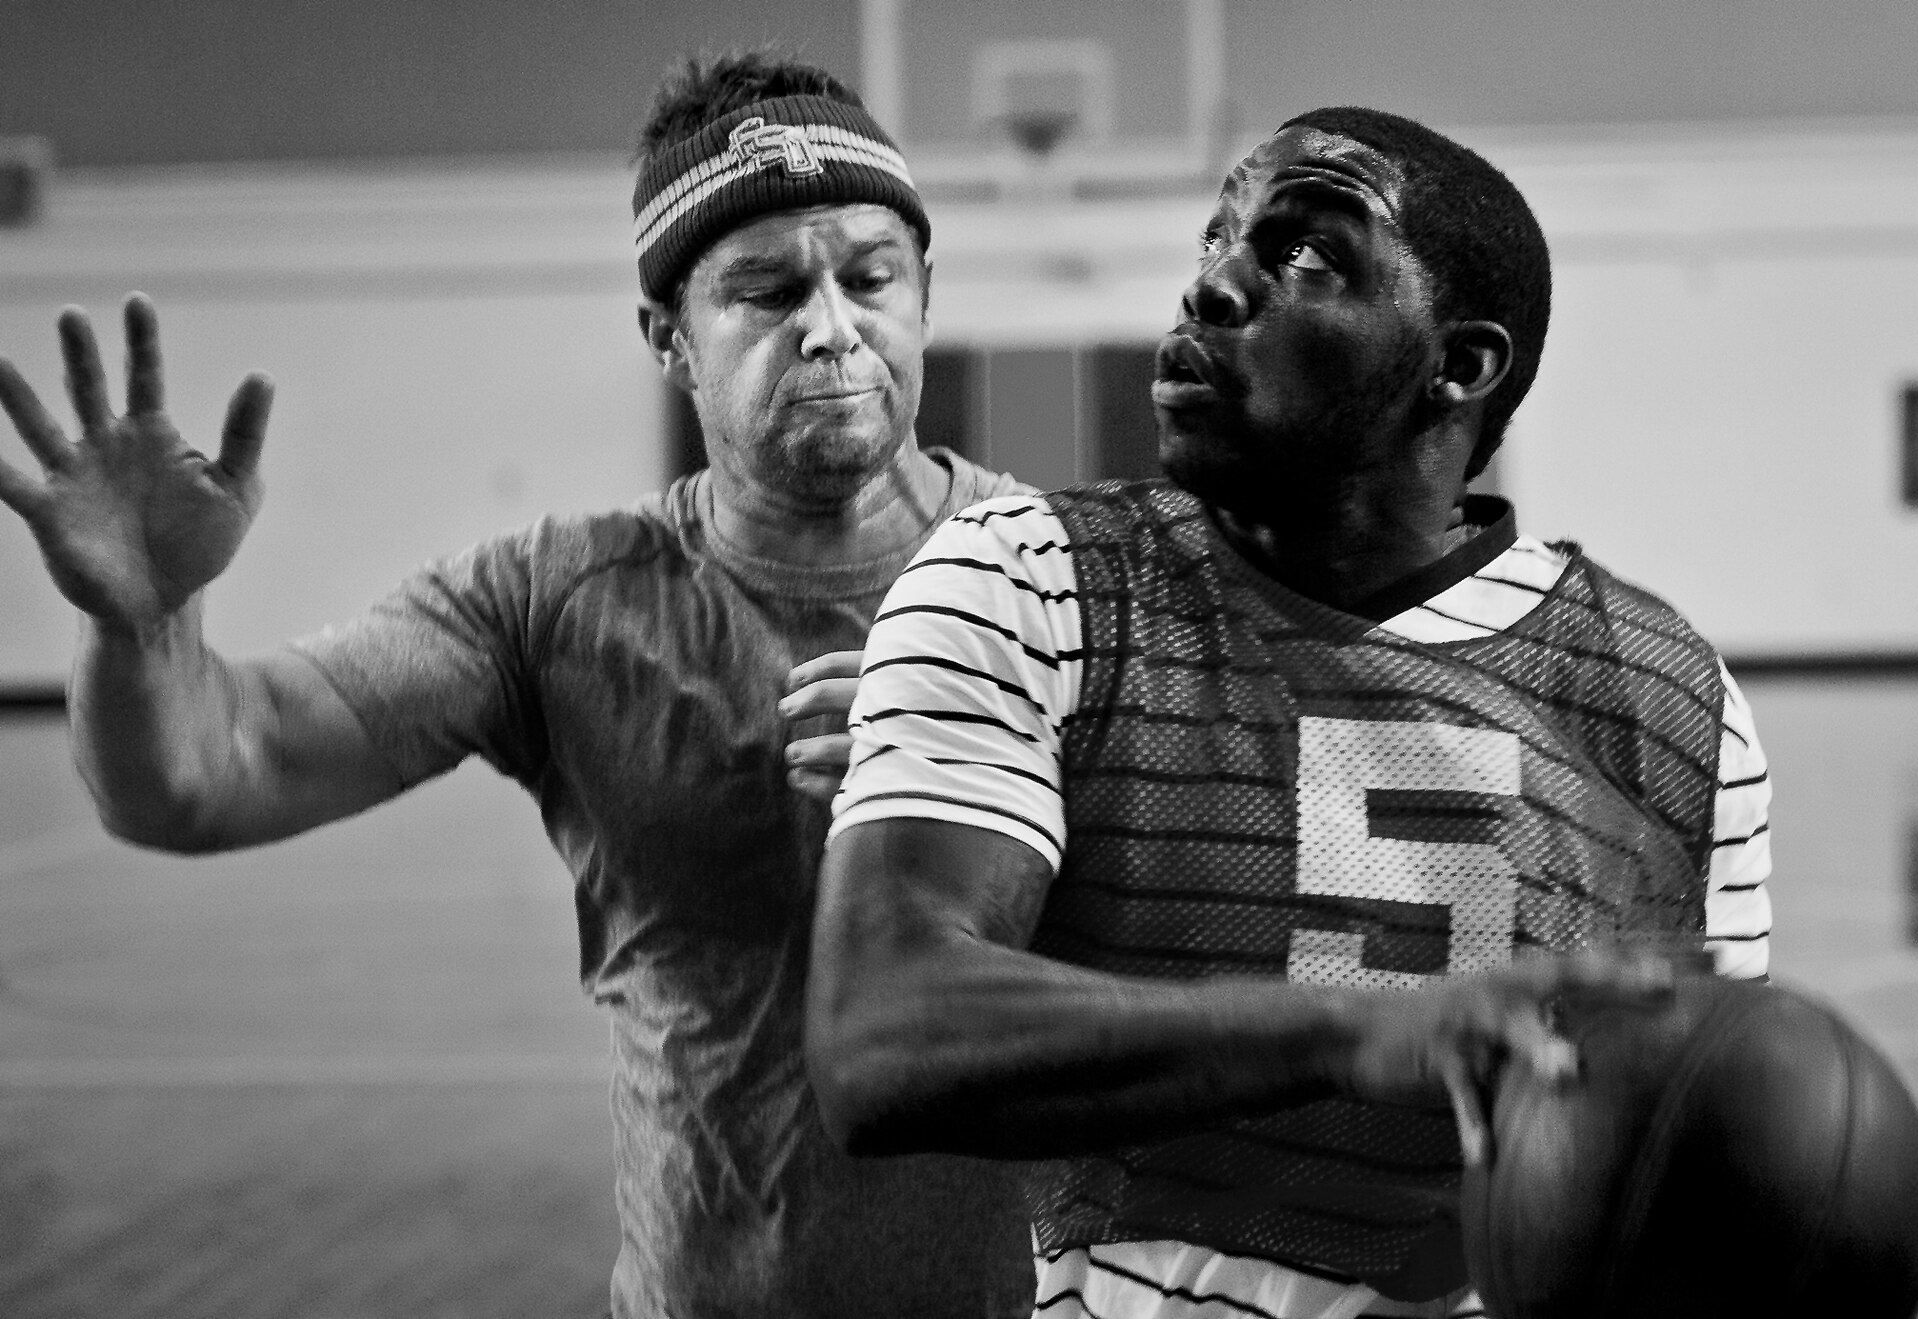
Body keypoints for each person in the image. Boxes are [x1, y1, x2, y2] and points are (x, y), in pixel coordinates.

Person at [0, 52, 1034, 1319]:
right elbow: (208, 777)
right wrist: (144, 629)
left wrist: (981, 754)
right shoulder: (557, 598)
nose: (829, 325)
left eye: (869, 277)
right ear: (667, 340)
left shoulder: (1064, 580)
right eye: (764, 291)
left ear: (924, 294)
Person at [805, 106, 1774, 1319]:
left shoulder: (1668, 699)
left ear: (1457, 367)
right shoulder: (1027, 579)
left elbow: (1707, 1139)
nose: (1212, 282)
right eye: (1219, 235)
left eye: (1307, 258)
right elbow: (880, 1033)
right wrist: (1350, 1027)